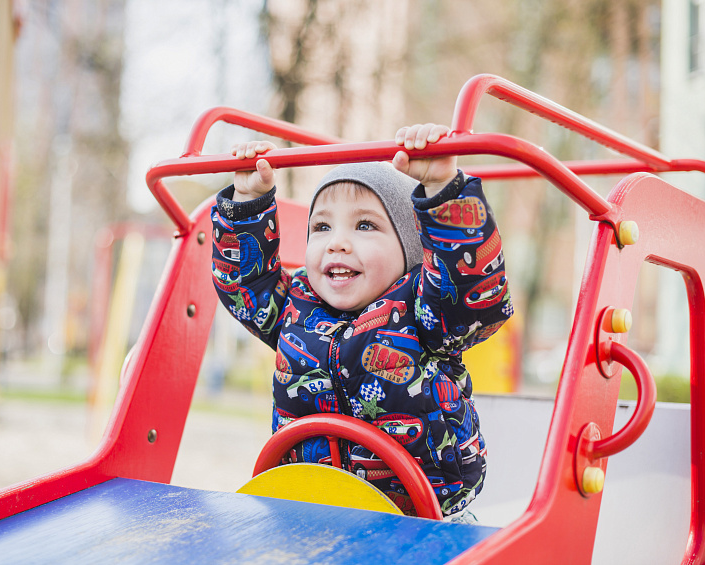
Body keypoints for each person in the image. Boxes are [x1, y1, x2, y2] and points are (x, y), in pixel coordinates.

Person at [210, 123, 513, 518]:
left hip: (423, 514)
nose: (337, 241)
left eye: (364, 225)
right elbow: (244, 286)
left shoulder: (425, 308)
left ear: (410, 250)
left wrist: (442, 191)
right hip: (313, 504)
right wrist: (248, 203)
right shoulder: (295, 304)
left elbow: (473, 292)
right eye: (322, 227)